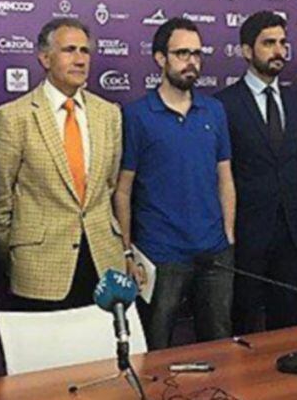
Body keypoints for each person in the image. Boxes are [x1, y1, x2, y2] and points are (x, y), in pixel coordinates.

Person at [114, 17, 236, 350]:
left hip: (214, 252)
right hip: (161, 254)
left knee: (219, 347)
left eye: (197, 53)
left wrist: (228, 234)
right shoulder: (137, 115)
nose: (191, 62)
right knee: (156, 348)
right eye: (182, 53)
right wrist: (127, 250)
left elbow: (224, 176)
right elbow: (122, 190)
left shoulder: (214, 111)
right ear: (159, 58)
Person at [0, 18, 126, 310]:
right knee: (51, 354)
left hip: (103, 261)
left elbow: (108, 184)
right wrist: (18, 252)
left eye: (85, 51)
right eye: (69, 50)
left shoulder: (109, 114)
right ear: (45, 58)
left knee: (104, 351)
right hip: (41, 267)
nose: (79, 59)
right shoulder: (15, 116)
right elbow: (1, 200)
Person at [215, 11, 297, 333]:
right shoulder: (223, 105)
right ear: (246, 50)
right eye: (269, 43)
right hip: (247, 235)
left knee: (291, 328)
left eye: (283, 43)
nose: (278, 51)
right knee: (244, 326)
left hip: (293, 234)